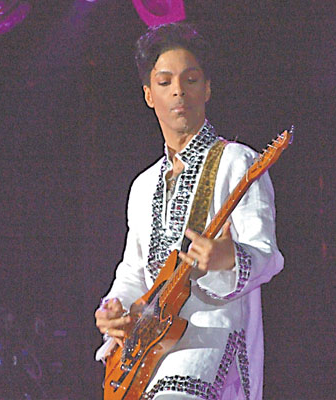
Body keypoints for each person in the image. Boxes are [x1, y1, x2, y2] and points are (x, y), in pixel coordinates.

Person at [94, 22, 284, 400]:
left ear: (207, 88)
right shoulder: (143, 185)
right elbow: (134, 272)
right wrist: (114, 310)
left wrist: (227, 257)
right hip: (151, 348)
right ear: (149, 95)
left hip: (214, 335)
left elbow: (268, 254)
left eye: (191, 79)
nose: (178, 91)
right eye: (165, 82)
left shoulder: (237, 161)